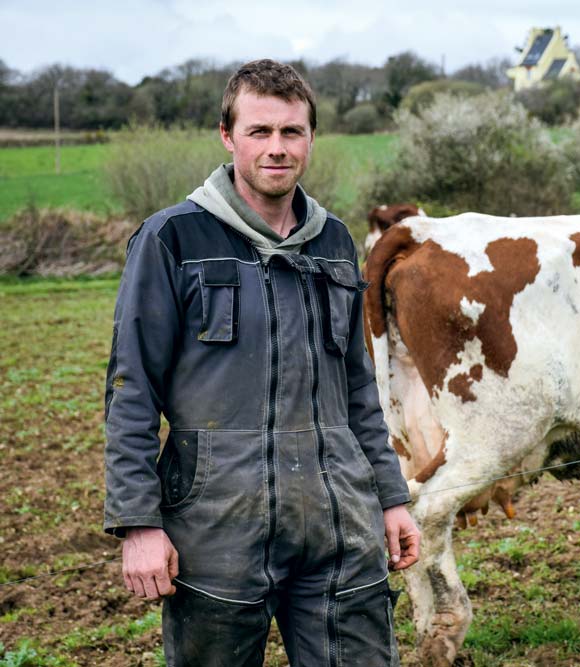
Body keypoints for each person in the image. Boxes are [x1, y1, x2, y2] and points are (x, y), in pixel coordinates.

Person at [103, 58, 419, 667]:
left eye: (291, 132)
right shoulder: (173, 239)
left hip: (339, 520)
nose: (278, 148)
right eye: (260, 132)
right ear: (228, 136)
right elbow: (131, 388)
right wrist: (138, 523)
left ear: (310, 138)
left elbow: (357, 385)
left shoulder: (333, 242)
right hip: (216, 526)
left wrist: (389, 496)